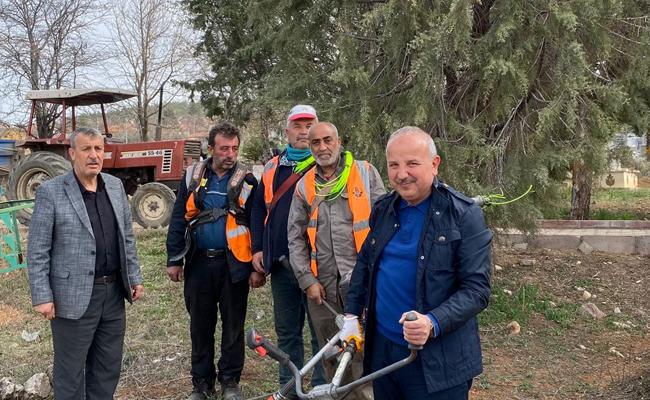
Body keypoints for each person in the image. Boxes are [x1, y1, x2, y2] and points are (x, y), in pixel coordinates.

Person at [343, 127, 493, 400]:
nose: (402, 174)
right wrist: (352, 315)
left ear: (434, 164)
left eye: (412, 163)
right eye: (394, 165)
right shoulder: (383, 209)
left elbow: (477, 290)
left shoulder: (464, 215)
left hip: (439, 363)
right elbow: (366, 262)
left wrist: (433, 322)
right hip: (384, 353)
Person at [27, 127, 144, 400]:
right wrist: (42, 296)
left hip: (113, 293)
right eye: (86, 149)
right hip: (73, 297)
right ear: (72, 154)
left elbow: (126, 237)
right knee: (70, 373)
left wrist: (134, 277)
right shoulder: (51, 192)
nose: (94, 155)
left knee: (107, 367)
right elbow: (37, 250)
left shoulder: (114, 187)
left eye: (98, 149)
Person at [288, 121, 385, 399]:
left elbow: (386, 225)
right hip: (323, 291)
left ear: (339, 141)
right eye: (316, 142)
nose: (322, 147)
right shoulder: (304, 185)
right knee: (331, 355)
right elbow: (294, 239)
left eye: (328, 140)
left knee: (365, 355)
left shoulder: (365, 173)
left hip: (364, 285)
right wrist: (307, 280)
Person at [166, 122, 262, 400]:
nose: (230, 153)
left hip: (234, 265)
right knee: (200, 326)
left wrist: (257, 265)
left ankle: (230, 382)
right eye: (224, 148)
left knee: (233, 326)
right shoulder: (193, 177)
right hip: (198, 263)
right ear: (211, 149)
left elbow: (256, 221)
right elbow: (177, 218)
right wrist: (174, 258)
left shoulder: (248, 180)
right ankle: (201, 385)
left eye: (234, 148)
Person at [250, 104, 325, 396]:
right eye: (298, 125)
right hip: (282, 265)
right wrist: (258, 249)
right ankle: (289, 389)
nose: (304, 131)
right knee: (287, 334)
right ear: (287, 131)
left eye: (309, 125)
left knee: (321, 332)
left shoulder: (328, 165)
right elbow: (258, 209)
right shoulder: (271, 167)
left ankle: (320, 389)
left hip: (317, 266)